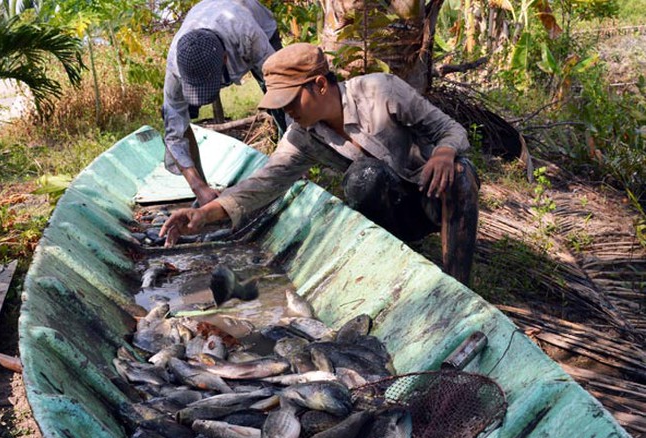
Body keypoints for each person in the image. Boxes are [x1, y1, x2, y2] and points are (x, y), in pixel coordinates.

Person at [161, 43, 480, 285]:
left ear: (320, 85)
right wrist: (202, 215)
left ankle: (458, 283)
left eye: (290, 101)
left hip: (433, 196)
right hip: (396, 215)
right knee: (363, 178)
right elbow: (263, 184)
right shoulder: (303, 135)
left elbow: (451, 130)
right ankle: (396, 265)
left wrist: (443, 153)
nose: (288, 111)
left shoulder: (380, 91)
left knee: (462, 175)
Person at [162, 0, 286, 206]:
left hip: (256, 23)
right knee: (175, 118)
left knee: (280, 99)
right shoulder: (176, 64)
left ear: (226, 59)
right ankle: (204, 193)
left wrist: (290, 161)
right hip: (207, 21)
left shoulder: (248, 35)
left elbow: (285, 87)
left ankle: (289, 163)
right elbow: (174, 133)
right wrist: (198, 187)